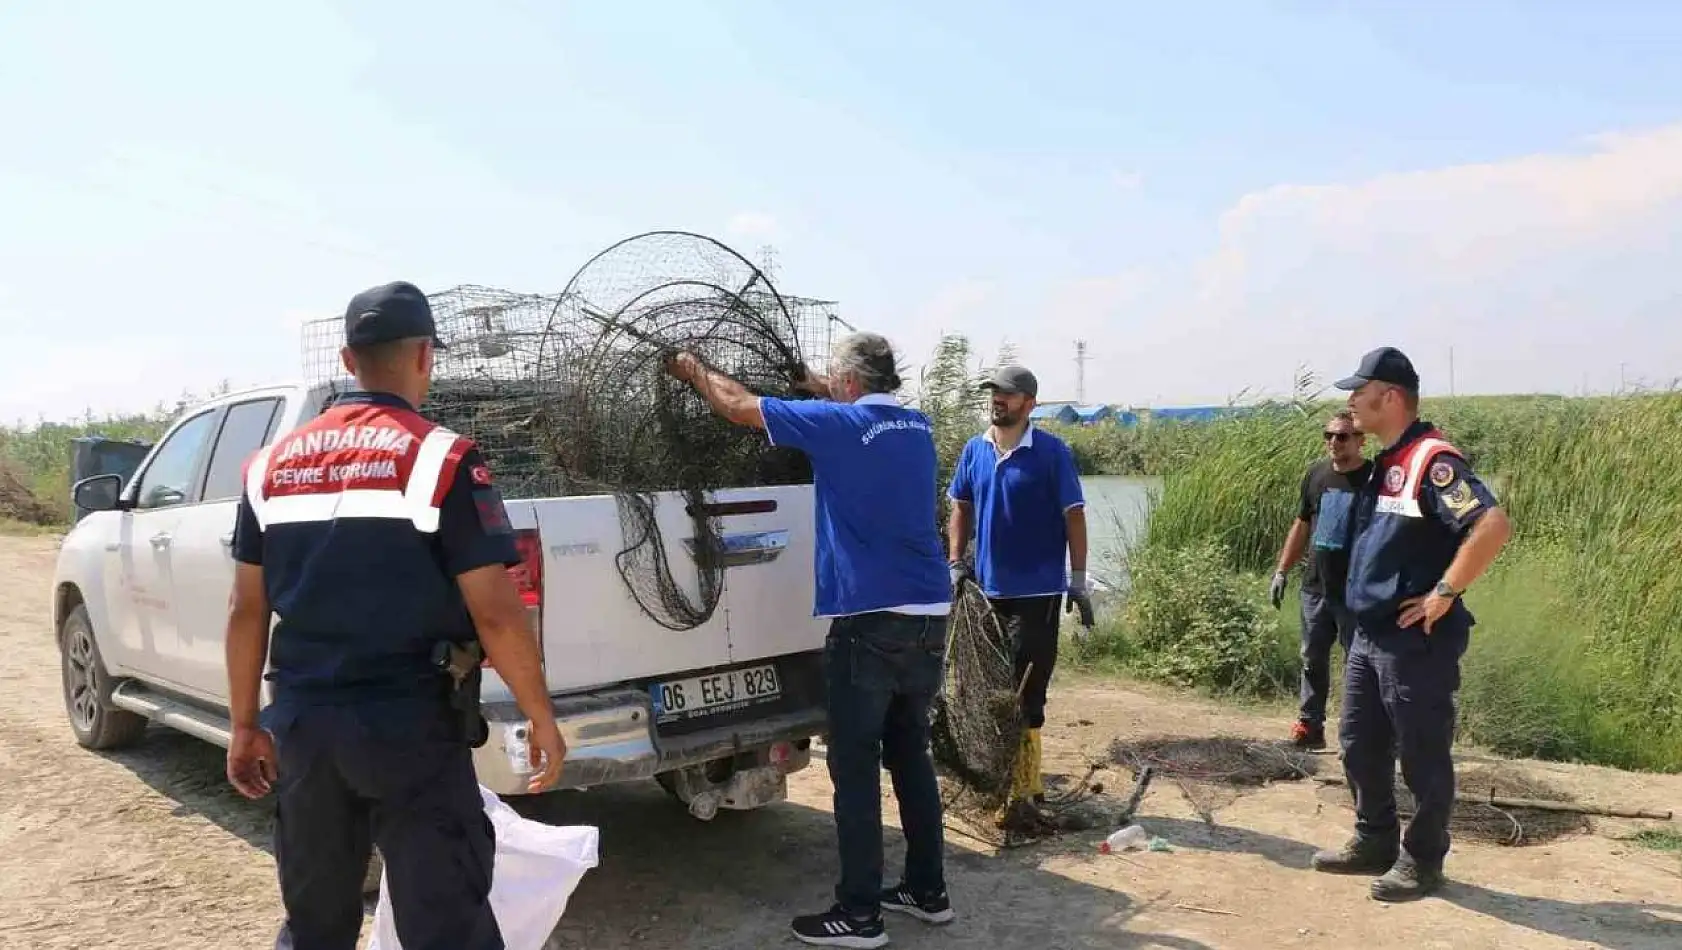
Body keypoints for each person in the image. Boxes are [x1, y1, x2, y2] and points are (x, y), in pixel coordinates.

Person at [224, 280, 567, 950]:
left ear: (349, 362)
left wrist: (243, 726)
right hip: (408, 728)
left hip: (304, 726)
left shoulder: (267, 468)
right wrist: (539, 715)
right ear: (424, 358)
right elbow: (496, 613)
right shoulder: (442, 458)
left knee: (315, 922)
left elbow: (245, 609)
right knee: (444, 924)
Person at [663, 331, 953, 949]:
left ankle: (860, 914)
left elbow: (738, 405)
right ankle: (928, 893)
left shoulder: (836, 426)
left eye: (833, 379)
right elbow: (854, 405)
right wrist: (819, 387)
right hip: (930, 613)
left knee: (854, 768)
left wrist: (693, 372)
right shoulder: (916, 425)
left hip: (870, 621)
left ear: (848, 384)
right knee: (910, 755)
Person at [1310, 346, 1511, 902]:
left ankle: (1423, 861)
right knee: (1357, 744)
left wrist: (1445, 592)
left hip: (1413, 642)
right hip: (1369, 634)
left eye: (1360, 391)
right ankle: (1374, 839)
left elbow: (1491, 525)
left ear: (1390, 397)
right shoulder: (1389, 460)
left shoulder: (1433, 459)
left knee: (1422, 753)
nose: (1351, 401)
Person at [944, 364, 1092, 815]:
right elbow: (960, 507)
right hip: (985, 595)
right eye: (994, 393)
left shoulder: (1051, 453)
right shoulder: (975, 449)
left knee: (1027, 693)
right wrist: (955, 562)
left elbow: (1074, 516)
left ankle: (1026, 789)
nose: (997, 400)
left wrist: (1079, 579)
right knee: (988, 689)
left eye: (1006, 394)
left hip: (1037, 596)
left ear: (1030, 402)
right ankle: (996, 779)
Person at [1268, 408, 1372, 749]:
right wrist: (1282, 571)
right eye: (1328, 436)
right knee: (1312, 658)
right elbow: (1301, 524)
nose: (1334, 442)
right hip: (1316, 587)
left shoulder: (1375, 478)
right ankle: (1310, 725)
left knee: (1359, 663)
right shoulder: (1316, 474)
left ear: (1360, 440)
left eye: (1342, 436)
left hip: (1356, 591)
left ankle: (1361, 732)